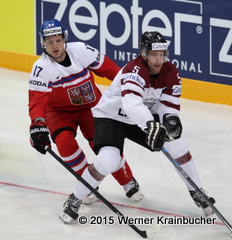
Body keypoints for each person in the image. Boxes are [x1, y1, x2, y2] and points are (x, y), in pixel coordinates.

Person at [59, 31, 216, 223]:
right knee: (109, 159)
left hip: (141, 118)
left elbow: (168, 104)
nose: (158, 59)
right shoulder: (134, 70)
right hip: (111, 117)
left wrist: (170, 121)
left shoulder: (171, 72)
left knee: (177, 143)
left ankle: (197, 191)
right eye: (153, 55)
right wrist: (150, 126)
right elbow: (131, 104)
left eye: (162, 54)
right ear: (144, 54)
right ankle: (75, 198)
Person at [28, 19, 144, 206]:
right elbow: (36, 103)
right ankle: (87, 184)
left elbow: (111, 70)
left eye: (58, 40)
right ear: (43, 43)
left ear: (64, 39)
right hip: (58, 112)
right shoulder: (40, 69)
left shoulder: (81, 50)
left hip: (92, 107)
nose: (55, 46)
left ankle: (127, 181)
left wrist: (130, 88)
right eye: (49, 42)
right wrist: (37, 125)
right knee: (65, 143)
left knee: (106, 146)